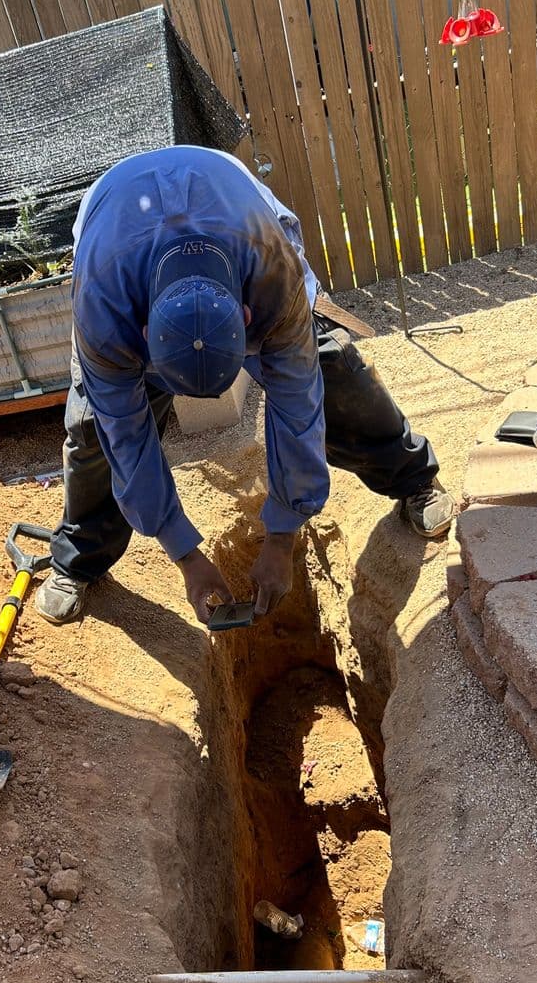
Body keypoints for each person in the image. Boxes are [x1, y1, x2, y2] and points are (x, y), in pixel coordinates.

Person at [35, 145, 453, 626]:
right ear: (144, 336)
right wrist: (186, 556)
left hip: (233, 207)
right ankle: (78, 559)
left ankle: (413, 478)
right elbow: (126, 440)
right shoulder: (104, 310)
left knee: (328, 372)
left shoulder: (272, 273)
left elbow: (298, 407)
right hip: (116, 224)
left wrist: (283, 537)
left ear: (248, 318)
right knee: (95, 430)